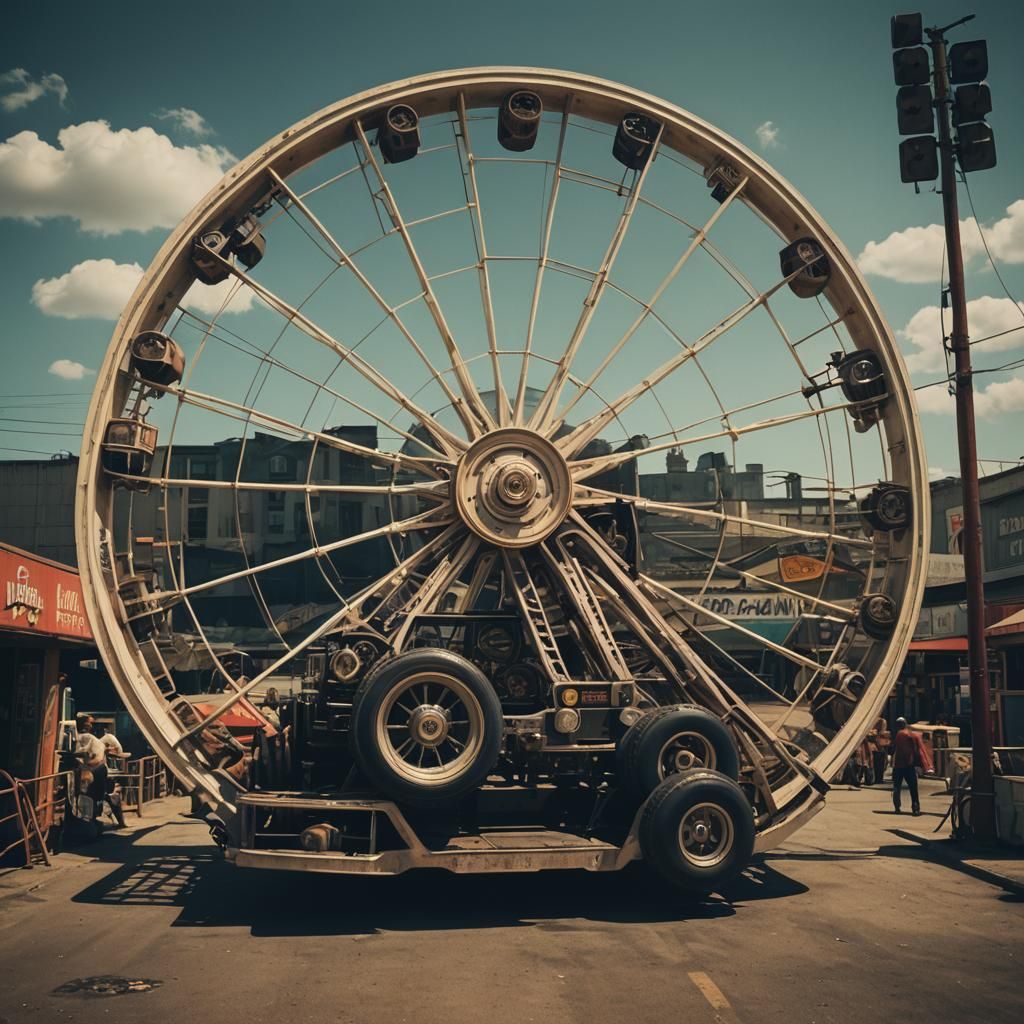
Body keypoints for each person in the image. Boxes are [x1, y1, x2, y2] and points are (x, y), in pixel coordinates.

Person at [74, 715, 126, 828]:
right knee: (111, 796)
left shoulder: (79, 738)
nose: (91, 725)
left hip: (86, 773)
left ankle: (113, 820)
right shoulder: (89, 738)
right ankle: (120, 822)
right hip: (92, 773)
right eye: (89, 723)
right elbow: (96, 757)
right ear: (85, 724)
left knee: (107, 796)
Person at [891, 717, 934, 816]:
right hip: (910, 765)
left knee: (897, 787)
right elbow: (918, 750)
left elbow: (894, 748)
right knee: (913, 788)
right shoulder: (914, 735)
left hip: (899, 765)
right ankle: (915, 808)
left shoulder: (899, 734)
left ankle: (897, 807)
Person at [871, 716, 891, 784]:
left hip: (877, 746)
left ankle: (877, 778)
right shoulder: (882, 721)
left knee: (877, 764)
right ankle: (878, 779)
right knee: (880, 764)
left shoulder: (878, 721)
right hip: (879, 747)